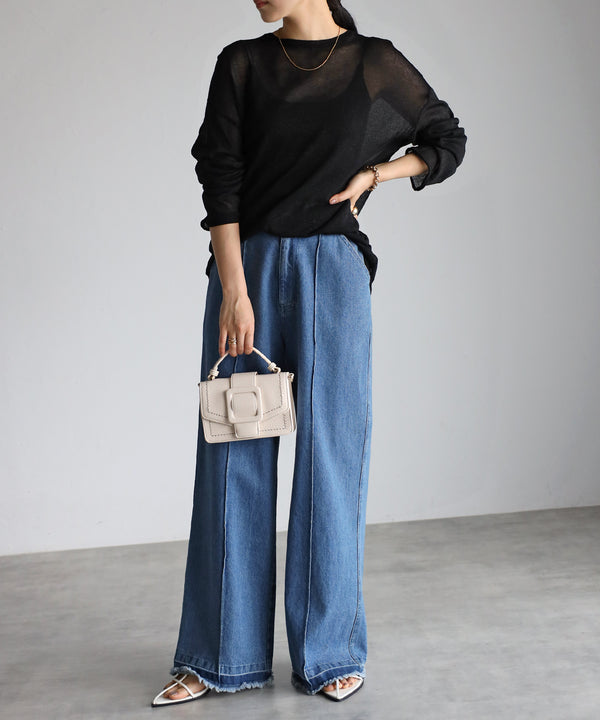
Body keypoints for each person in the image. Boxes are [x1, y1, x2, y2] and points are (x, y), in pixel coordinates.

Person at [151, 0, 467, 707]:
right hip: (248, 272)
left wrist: (376, 175)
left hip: (335, 272)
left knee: (332, 459)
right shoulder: (242, 63)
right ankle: (218, 655)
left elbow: (447, 139)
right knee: (232, 452)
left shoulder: (374, 62)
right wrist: (235, 291)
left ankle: (329, 654)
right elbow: (219, 178)